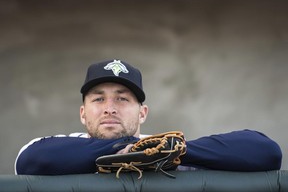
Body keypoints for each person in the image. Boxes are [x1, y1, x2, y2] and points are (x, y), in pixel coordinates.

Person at [15, 59, 282, 175]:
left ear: (142, 113)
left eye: (122, 98)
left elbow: (266, 152)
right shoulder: (64, 145)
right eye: (98, 98)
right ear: (83, 114)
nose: (110, 107)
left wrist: (167, 152)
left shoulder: (166, 149)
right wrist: (125, 151)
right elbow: (29, 160)